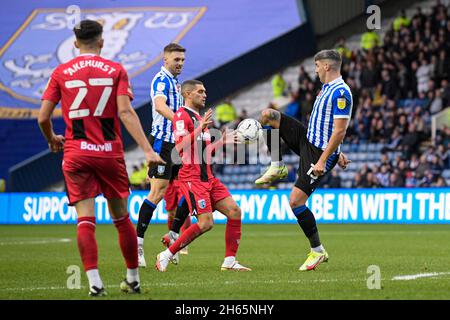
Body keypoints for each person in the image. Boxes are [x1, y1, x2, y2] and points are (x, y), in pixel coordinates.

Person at [38, 20, 164, 296]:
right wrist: (147, 149)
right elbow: (125, 113)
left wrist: (52, 138)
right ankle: (132, 279)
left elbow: (43, 117)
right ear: (102, 42)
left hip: (75, 153)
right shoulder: (116, 71)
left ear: (75, 43)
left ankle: (95, 283)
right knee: (121, 218)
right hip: (109, 153)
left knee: (85, 219)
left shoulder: (61, 72)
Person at [255, 50, 352, 271]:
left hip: (318, 155)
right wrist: (339, 152)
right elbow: (330, 128)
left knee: (296, 202)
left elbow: (340, 131)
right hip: (308, 138)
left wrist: (327, 159)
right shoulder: (326, 88)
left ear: (327, 66)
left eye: (317, 66)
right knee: (269, 115)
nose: (315, 70)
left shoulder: (341, 93)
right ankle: (276, 165)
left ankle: (317, 251)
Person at [155, 80, 251, 272]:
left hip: (208, 177)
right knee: (206, 223)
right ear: (188, 94)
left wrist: (222, 141)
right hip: (192, 178)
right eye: (200, 91)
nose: (204, 94)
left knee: (234, 212)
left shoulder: (199, 118)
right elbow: (179, 147)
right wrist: (200, 129)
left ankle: (230, 261)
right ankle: (166, 255)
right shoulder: (181, 116)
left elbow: (204, 152)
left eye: (205, 91)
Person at [135, 43, 190, 267]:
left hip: (179, 145)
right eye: (176, 60)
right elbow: (159, 106)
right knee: (157, 193)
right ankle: (137, 247)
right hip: (162, 144)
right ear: (165, 60)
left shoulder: (176, 84)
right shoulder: (161, 80)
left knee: (190, 189)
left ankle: (173, 240)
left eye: (182, 60)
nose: (180, 64)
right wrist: (180, 121)